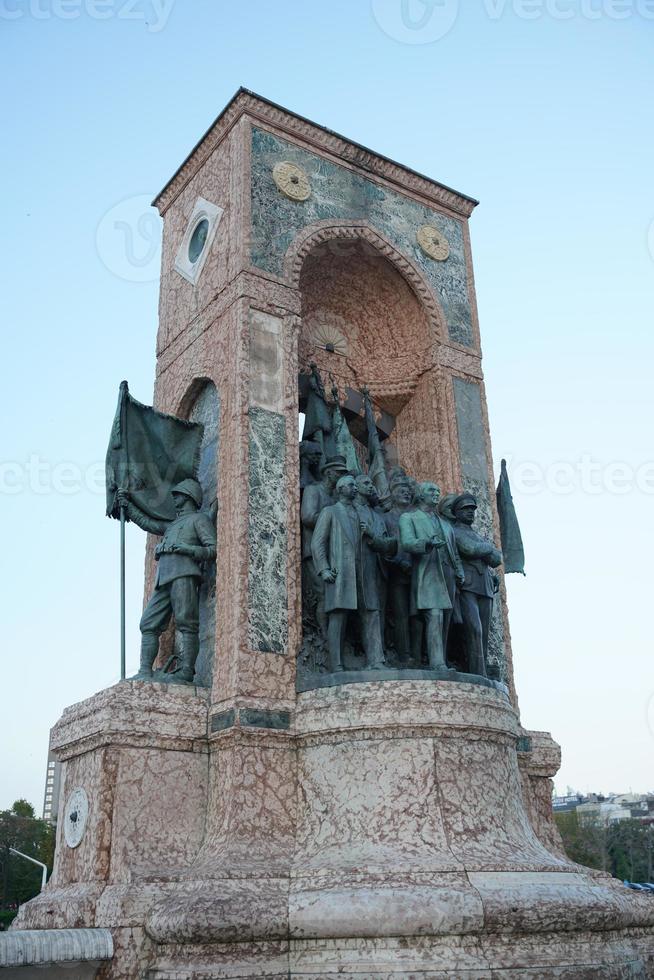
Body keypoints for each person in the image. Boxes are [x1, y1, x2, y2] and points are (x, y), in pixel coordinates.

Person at [117, 479, 216, 684]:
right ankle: (145, 670)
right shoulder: (172, 525)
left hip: (184, 573)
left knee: (186, 623)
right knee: (148, 623)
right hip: (164, 578)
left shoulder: (199, 520)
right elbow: (149, 524)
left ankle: (187, 671)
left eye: (178, 494)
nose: (174, 497)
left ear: (188, 496)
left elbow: (212, 549)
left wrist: (186, 549)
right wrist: (127, 506)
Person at [311, 475, 390, 672]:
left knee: (371, 613)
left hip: (365, 571)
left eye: (356, 485)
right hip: (341, 572)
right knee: (338, 616)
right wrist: (324, 569)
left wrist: (370, 533)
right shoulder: (330, 512)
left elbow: (382, 541)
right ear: (340, 489)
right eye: (350, 485)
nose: (354, 488)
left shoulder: (364, 513)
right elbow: (318, 543)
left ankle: (376, 660)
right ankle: (336, 663)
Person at [399, 482, 456, 671]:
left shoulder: (445, 524)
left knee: (444, 619)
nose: (436, 493)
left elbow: (453, 551)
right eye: (431, 490)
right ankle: (437, 662)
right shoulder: (409, 517)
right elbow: (407, 543)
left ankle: (440, 659)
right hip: (426, 571)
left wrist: (459, 572)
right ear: (421, 495)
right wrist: (426, 543)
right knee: (433, 614)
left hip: (447, 574)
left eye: (438, 491)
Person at [450, 493, 502, 677]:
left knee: (484, 633)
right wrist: (487, 550)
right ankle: (477, 672)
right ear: (456, 513)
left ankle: (481, 671)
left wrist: (485, 551)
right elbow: (469, 549)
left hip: (484, 585)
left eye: (472, 510)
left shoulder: (476, 534)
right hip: (467, 585)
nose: (470, 513)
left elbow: (497, 559)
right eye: (466, 510)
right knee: (474, 629)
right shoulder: (454, 531)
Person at [301, 455, 348, 636]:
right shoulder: (313, 491)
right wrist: (333, 521)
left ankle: (337, 637)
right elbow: (307, 517)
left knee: (337, 596)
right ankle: (324, 635)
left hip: (335, 552)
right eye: (339, 473)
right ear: (328, 473)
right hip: (314, 552)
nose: (342, 476)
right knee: (323, 594)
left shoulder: (338, 498)